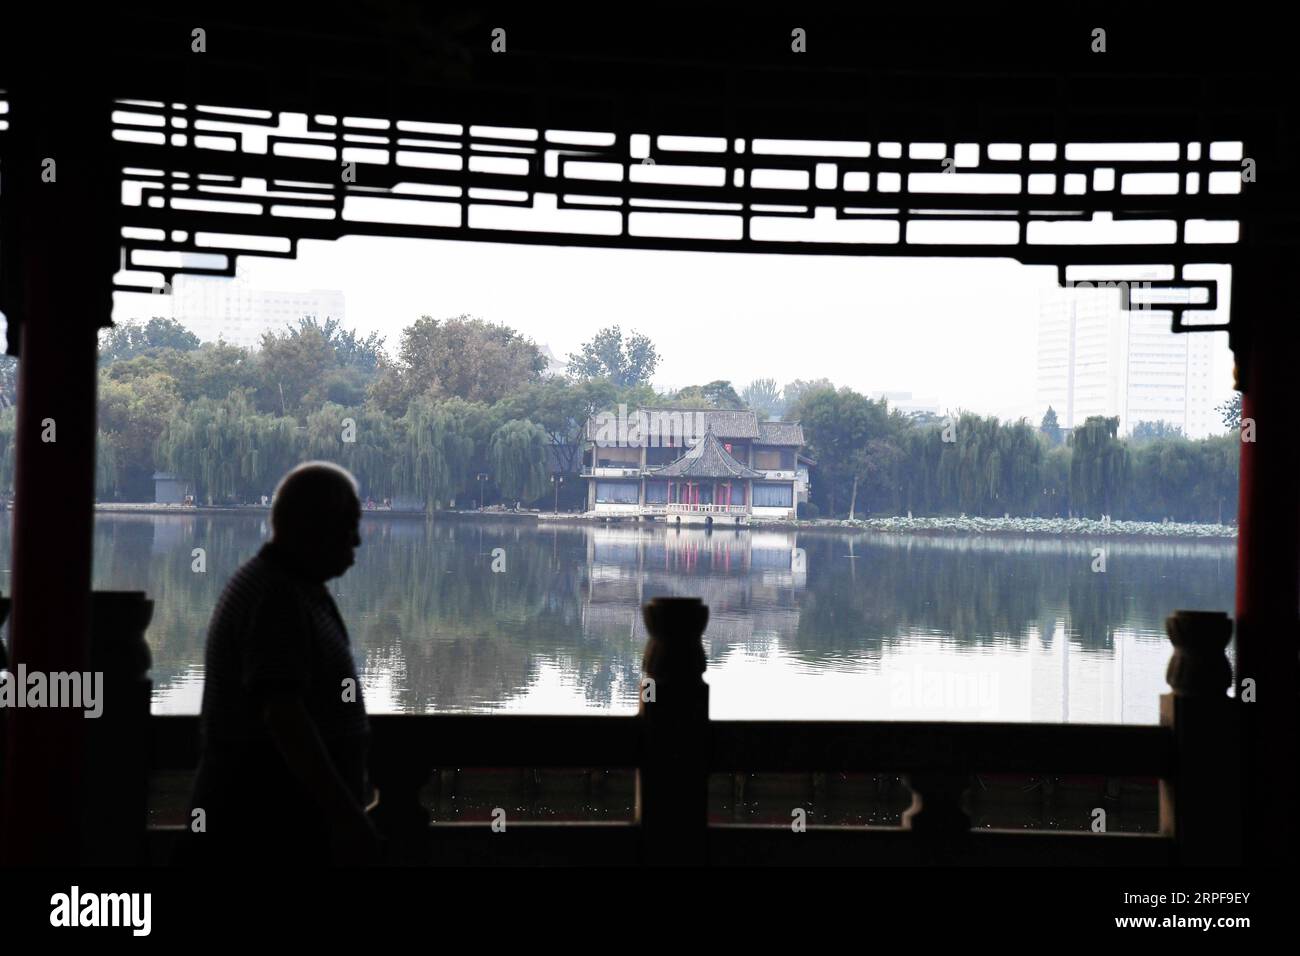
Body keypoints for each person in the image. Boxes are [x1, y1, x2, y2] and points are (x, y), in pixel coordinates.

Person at [181, 461, 379, 866]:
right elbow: (284, 716)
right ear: (312, 525)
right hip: (264, 832)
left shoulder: (291, 588)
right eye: (349, 524)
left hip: (280, 824)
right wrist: (344, 814)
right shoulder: (276, 598)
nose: (357, 540)